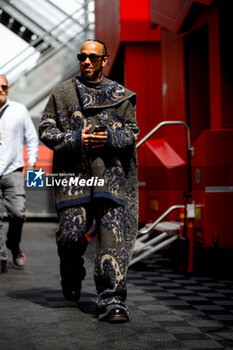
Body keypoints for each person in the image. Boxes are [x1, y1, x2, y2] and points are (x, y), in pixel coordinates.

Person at [39, 39, 139, 323]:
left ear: (104, 61)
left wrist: (109, 137)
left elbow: (132, 133)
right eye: (82, 56)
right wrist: (75, 138)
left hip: (110, 176)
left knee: (111, 238)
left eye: (92, 58)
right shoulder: (62, 92)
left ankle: (112, 300)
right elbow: (46, 129)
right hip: (74, 177)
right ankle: (70, 271)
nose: (85, 61)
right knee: (71, 235)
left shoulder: (121, 95)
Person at [0, 74, 38, 273]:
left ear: (9, 88)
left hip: (14, 171)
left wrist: (32, 161)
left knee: (18, 214)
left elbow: (31, 138)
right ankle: (1, 257)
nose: (1, 89)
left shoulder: (19, 110)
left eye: (4, 86)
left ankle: (13, 246)